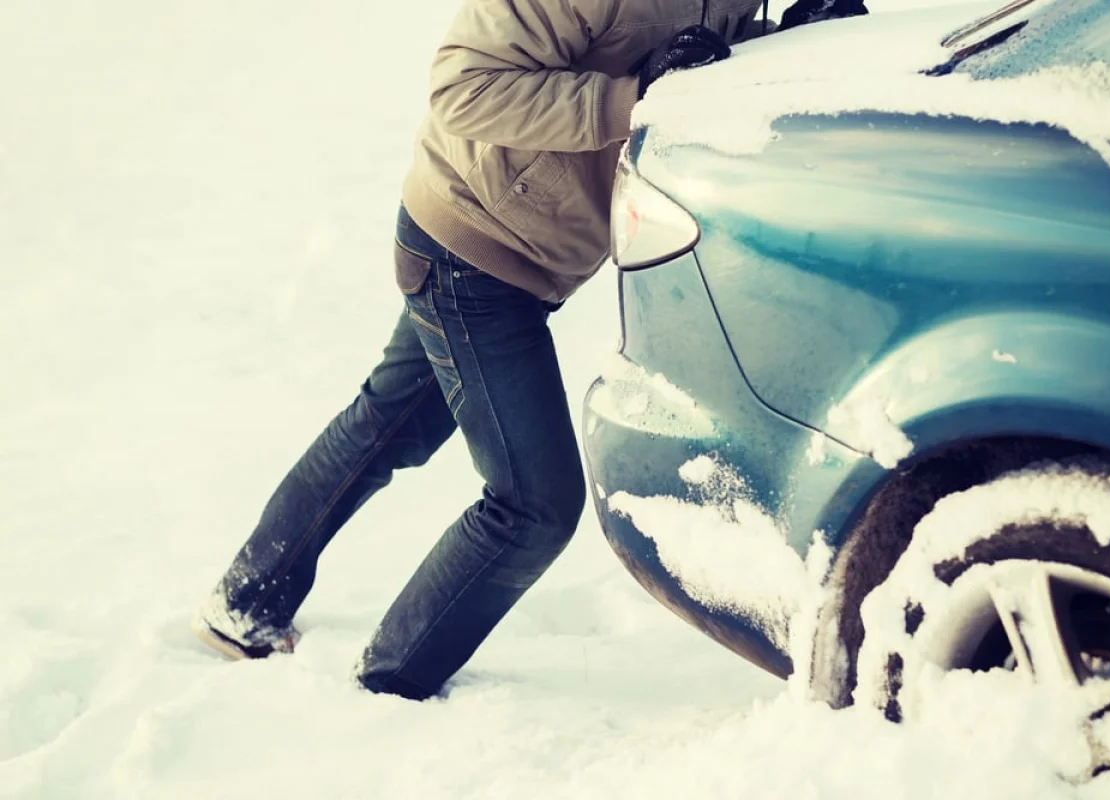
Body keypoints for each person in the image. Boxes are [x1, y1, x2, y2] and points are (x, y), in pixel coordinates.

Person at [192, 0, 860, 700]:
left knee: (391, 423)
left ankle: (245, 602)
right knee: (534, 505)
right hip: (470, 247)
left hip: (523, 250)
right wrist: (630, 99)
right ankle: (390, 686)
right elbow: (463, 86)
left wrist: (788, 42)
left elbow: (695, 53)